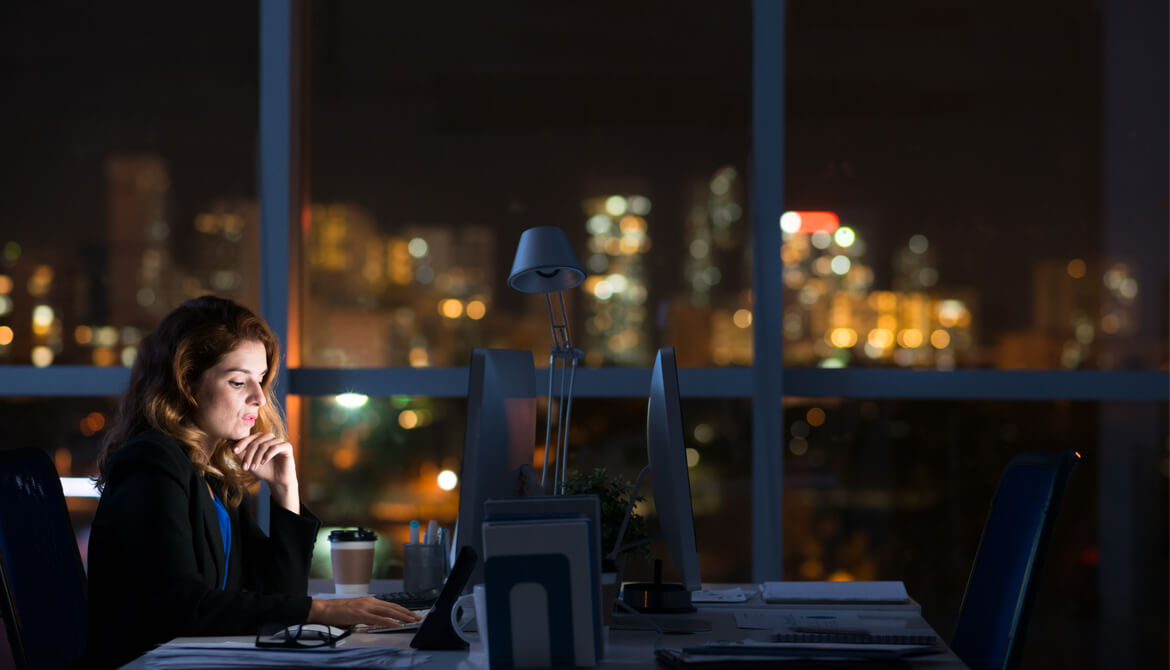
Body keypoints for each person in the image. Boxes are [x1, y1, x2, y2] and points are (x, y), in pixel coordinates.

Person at [84, 296, 419, 668]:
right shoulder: (151, 464)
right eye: (238, 381)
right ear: (187, 383)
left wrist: (285, 491)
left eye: (260, 380)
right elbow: (184, 606)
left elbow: (279, 596)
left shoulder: (214, 475)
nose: (259, 398)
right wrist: (324, 609)